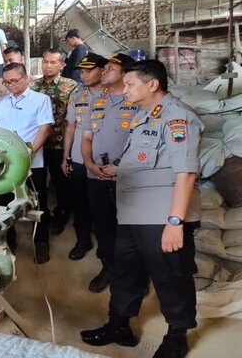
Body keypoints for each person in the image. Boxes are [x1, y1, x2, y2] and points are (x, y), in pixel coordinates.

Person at [81, 60, 203, 358]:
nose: (124, 90)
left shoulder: (178, 119)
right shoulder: (143, 116)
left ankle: (176, 337)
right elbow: (143, 157)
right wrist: (117, 167)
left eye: (130, 84)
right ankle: (119, 325)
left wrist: (175, 222)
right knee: (125, 273)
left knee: (170, 276)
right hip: (132, 213)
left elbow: (185, 173)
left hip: (161, 217)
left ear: (152, 84)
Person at [0, 63, 54, 263]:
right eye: (7, 81)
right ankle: (8, 241)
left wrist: (27, 155)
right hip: (5, 165)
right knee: (5, 205)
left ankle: (41, 242)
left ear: (26, 78)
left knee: (38, 203)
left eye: (15, 80)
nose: (11, 85)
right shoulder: (2, 102)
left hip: (32, 162)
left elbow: (44, 130)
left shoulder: (41, 100)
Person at [80, 53, 138, 292]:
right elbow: (86, 138)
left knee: (130, 228)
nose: (103, 71)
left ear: (125, 74)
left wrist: (121, 166)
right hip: (96, 175)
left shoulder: (136, 101)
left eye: (111, 68)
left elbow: (143, 143)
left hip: (128, 178)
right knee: (103, 225)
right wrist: (89, 163)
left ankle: (135, 276)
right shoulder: (96, 101)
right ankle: (108, 267)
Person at [62, 53, 108, 260]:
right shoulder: (77, 96)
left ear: (102, 70)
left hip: (103, 160)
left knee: (103, 207)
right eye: (82, 71)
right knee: (79, 203)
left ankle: (105, 246)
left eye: (89, 70)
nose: (84, 75)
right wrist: (66, 157)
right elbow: (71, 128)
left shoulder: (115, 95)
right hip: (79, 159)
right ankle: (83, 241)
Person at [30, 48, 79, 235]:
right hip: (37, 144)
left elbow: (73, 119)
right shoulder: (33, 86)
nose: (48, 66)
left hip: (59, 143)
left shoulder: (71, 86)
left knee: (61, 183)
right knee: (38, 183)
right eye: (45, 61)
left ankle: (61, 214)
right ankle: (43, 216)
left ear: (62, 65)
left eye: (53, 62)